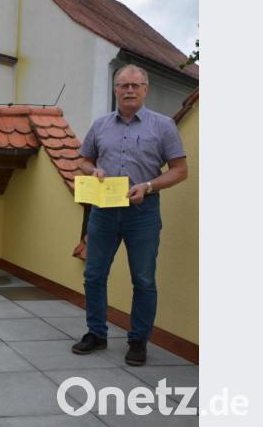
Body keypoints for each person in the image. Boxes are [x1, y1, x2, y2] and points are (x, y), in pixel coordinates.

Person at [72, 64, 188, 366]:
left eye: (135, 85)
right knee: (94, 274)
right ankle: (96, 333)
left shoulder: (163, 126)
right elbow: (83, 161)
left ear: (145, 89)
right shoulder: (99, 125)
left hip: (143, 211)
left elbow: (180, 170)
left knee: (144, 279)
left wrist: (148, 186)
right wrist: (92, 169)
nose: (129, 90)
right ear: (115, 89)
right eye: (123, 85)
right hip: (104, 210)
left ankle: (138, 340)